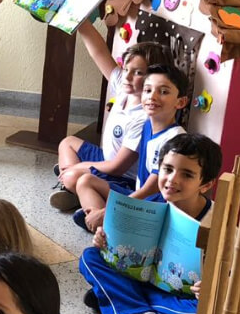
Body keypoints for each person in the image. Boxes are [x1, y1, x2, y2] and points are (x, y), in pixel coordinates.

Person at [80, 133, 222, 314]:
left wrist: (211, 286)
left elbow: (229, 275)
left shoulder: (217, 222)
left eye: (187, 174)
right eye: (168, 169)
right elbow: (118, 248)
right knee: (90, 257)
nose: (172, 179)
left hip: (182, 296)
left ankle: (120, 300)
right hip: (143, 278)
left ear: (205, 184)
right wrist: (104, 240)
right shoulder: (151, 204)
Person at [51, 22, 166, 211]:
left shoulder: (144, 117)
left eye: (138, 73)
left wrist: (79, 167)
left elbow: (117, 167)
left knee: (73, 176)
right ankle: (75, 190)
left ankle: (83, 195)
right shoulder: (124, 87)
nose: (127, 77)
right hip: (105, 159)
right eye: (126, 69)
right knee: (67, 143)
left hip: (122, 178)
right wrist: (80, 21)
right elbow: (98, 53)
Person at [73, 63, 190, 232]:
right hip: (138, 198)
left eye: (163, 92)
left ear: (180, 102)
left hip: (152, 209)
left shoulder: (175, 140)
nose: (152, 96)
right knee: (85, 181)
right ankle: (103, 224)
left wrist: (108, 211)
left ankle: (104, 224)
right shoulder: (147, 125)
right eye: (147, 90)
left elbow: (151, 188)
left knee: (98, 229)